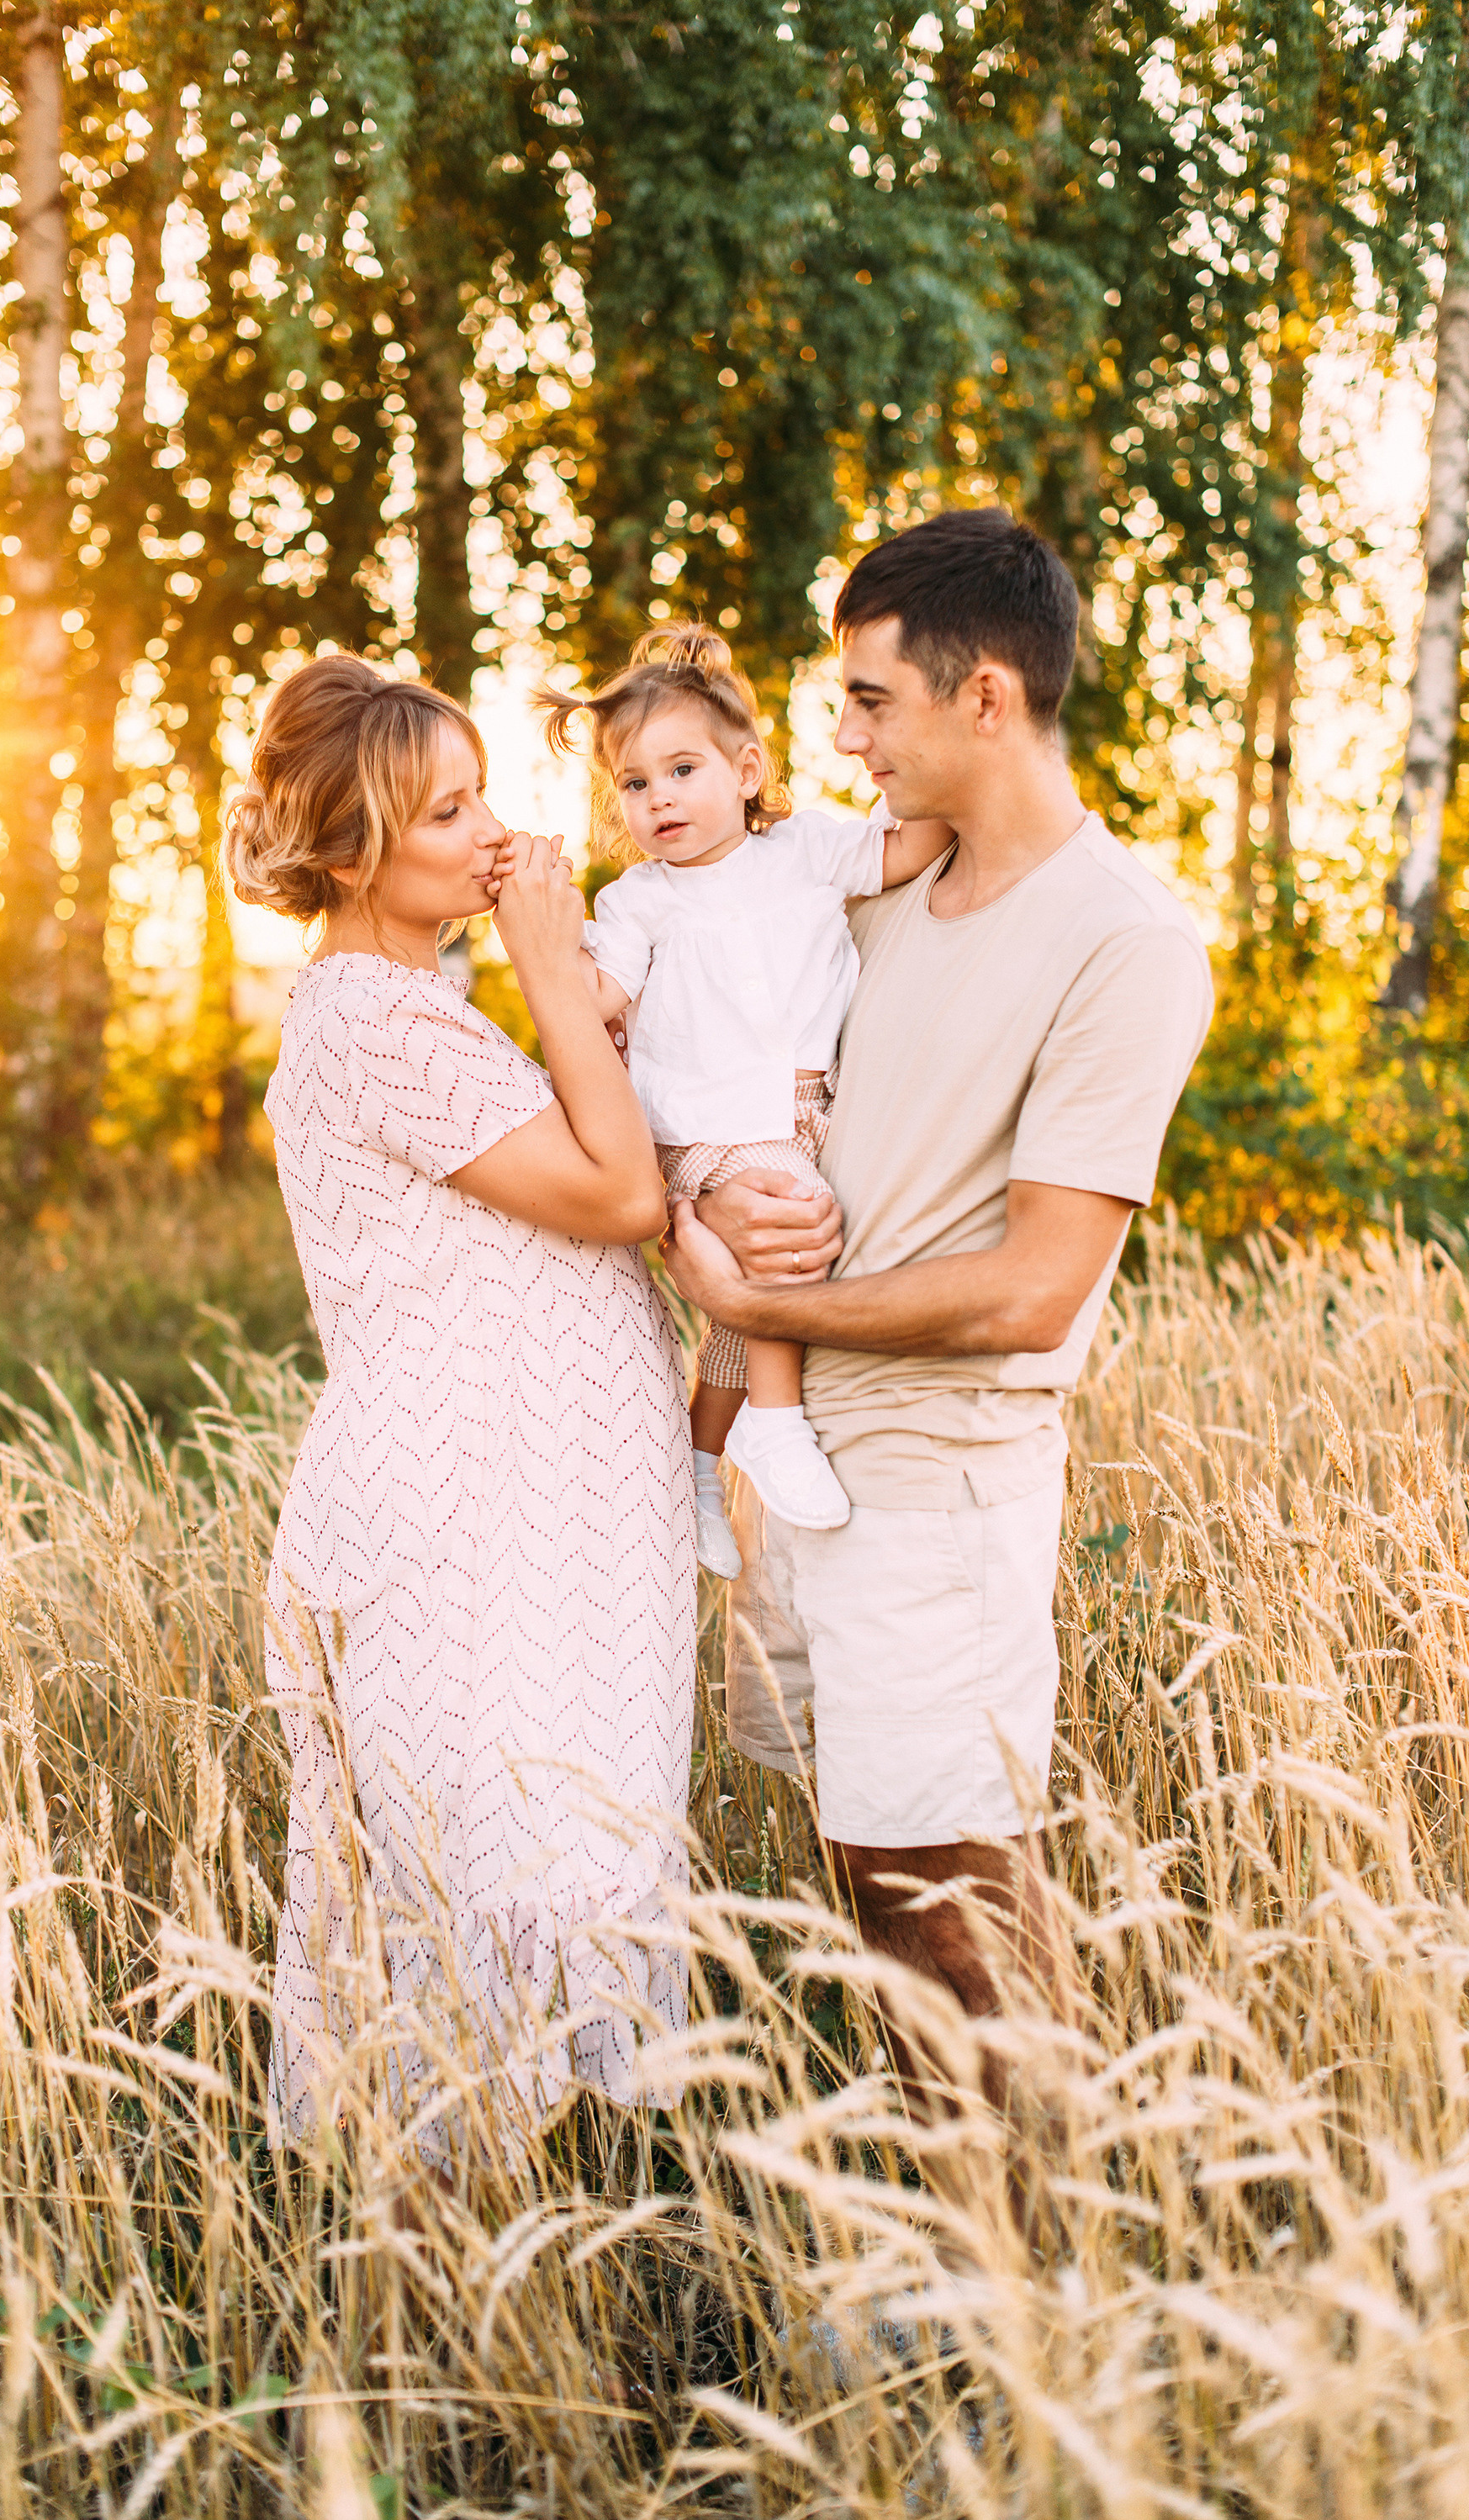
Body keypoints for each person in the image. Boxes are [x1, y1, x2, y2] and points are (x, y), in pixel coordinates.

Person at [664, 509, 1213, 2099]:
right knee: (867, 1867)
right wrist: (711, 1210)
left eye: (871, 700)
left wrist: (761, 1304)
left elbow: (1038, 1290)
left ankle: (1025, 2274)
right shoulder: (865, 898)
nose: (840, 736)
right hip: (810, 1456)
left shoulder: (1126, 939)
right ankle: (949, 2248)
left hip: (945, 1468)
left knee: (954, 1894)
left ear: (985, 697)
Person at [224, 652, 696, 2166]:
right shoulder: (374, 1016)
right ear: (354, 851)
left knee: (535, 1879)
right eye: (446, 809)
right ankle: (431, 2336)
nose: (490, 831)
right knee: (462, 1899)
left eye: (485, 790)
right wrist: (552, 954)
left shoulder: (426, 1005)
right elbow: (619, 1193)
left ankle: (514, 2309)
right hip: (462, 1530)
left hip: (536, 1522)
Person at [540, 625, 951, 1575]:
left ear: (747, 769)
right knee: (784, 1218)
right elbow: (595, 998)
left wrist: (956, 781)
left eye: (681, 770)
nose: (658, 800)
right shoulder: (638, 903)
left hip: (805, 1116)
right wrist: (548, 935)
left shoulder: (805, 852)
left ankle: (694, 1460)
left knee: (739, 1314)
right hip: (705, 1132)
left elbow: (905, 846)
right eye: (634, 785)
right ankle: (774, 1424)